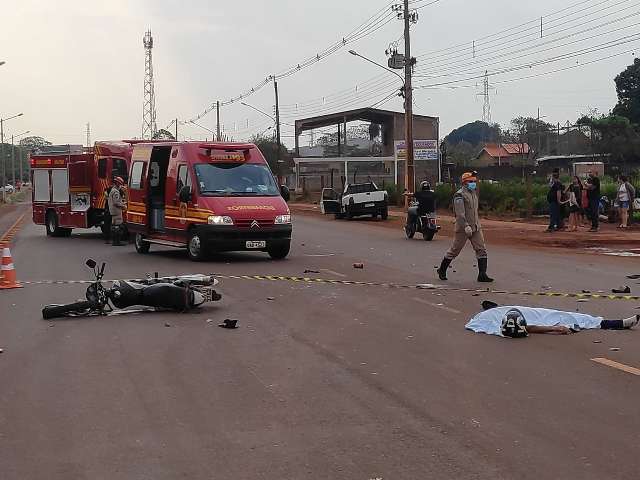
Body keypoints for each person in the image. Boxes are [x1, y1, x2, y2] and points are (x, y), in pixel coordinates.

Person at [437, 172, 493, 283]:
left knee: (481, 250)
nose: (473, 183)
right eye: (470, 181)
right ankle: (442, 270)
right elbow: (460, 213)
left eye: (474, 181)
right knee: (454, 250)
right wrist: (466, 225)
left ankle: (482, 274)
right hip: (463, 228)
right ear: (464, 182)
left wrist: (475, 225)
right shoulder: (460, 195)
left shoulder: (473, 193)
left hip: (476, 227)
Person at [466, 304, 639, 338]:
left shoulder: (486, 320)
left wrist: (552, 329)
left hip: (519, 312)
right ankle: (616, 323)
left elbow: (530, 326)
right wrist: (553, 330)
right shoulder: (496, 327)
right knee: (560, 318)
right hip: (510, 314)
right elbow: (527, 328)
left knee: (559, 315)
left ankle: (612, 323)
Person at [108, 176, 126, 246]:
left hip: (113, 211)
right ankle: (117, 242)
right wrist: (123, 206)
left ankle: (115, 241)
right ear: (118, 183)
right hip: (117, 211)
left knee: (114, 226)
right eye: (120, 184)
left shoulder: (112, 190)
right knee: (118, 226)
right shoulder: (115, 192)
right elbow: (116, 202)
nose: (121, 185)